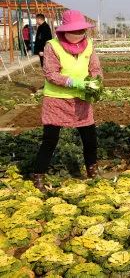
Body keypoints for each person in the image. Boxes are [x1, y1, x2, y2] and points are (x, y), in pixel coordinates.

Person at [32, 10, 102, 191]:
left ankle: (92, 170)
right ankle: (38, 175)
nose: (79, 34)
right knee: (50, 139)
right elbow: (50, 73)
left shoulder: (89, 45)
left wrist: (95, 81)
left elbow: (95, 67)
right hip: (57, 99)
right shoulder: (52, 46)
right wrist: (73, 82)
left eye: (82, 31)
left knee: (89, 137)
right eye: (75, 31)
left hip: (81, 99)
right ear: (64, 31)